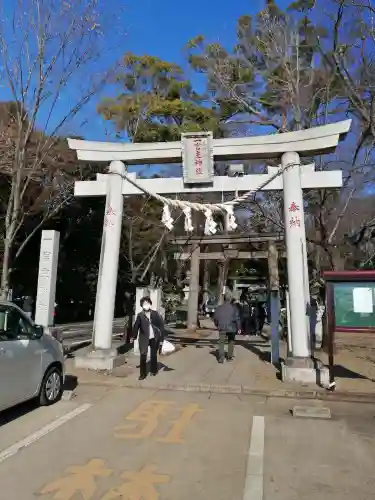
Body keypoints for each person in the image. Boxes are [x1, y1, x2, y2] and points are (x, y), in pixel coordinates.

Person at [132, 296, 165, 380]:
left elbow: (161, 326)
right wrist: (134, 336)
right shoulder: (140, 315)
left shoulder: (155, 314)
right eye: (144, 304)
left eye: (147, 303)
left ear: (150, 304)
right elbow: (136, 326)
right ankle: (142, 374)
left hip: (154, 337)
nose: (146, 305)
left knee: (153, 355)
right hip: (144, 338)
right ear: (142, 305)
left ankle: (154, 370)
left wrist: (161, 339)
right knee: (143, 355)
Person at [213, 291, 241, 363]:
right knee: (231, 341)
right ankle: (229, 357)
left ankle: (221, 357)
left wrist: (217, 325)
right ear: (230, 299)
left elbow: (215, 318)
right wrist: (239, 328)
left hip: (222, 327)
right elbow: (237, 318)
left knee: (221, 342)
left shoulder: (219, 308)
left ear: (224, 299)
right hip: (232, 327)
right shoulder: (234, 308)